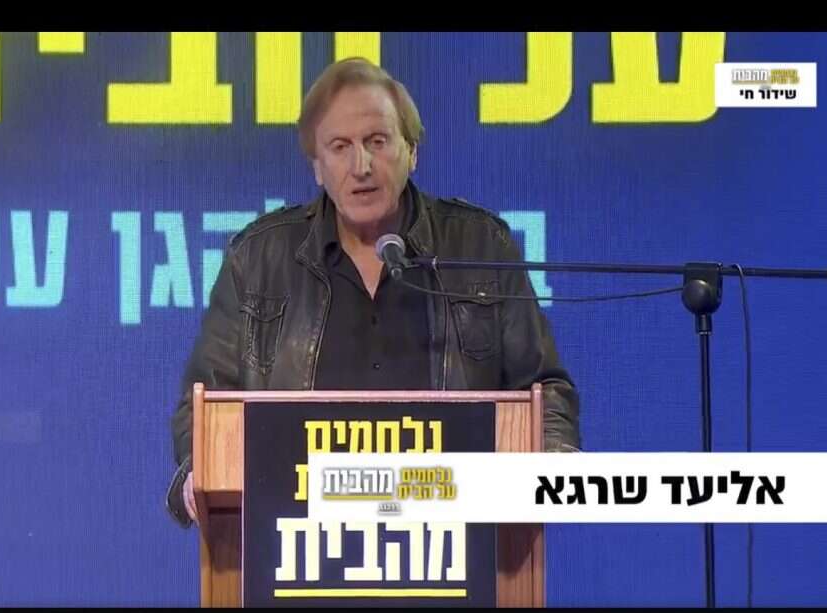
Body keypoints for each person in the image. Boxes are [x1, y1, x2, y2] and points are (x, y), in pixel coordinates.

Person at [166, 57, 580, 527]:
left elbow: (543, 388)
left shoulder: (480, 245)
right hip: (298, 534)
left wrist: (552, 461)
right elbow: (204, 405)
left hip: (454, 533)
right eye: (340, 147)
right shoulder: (258, 259)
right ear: (317, 166)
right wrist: (199, 471)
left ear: (412, 151)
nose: (360, 165)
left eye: (377, 142)